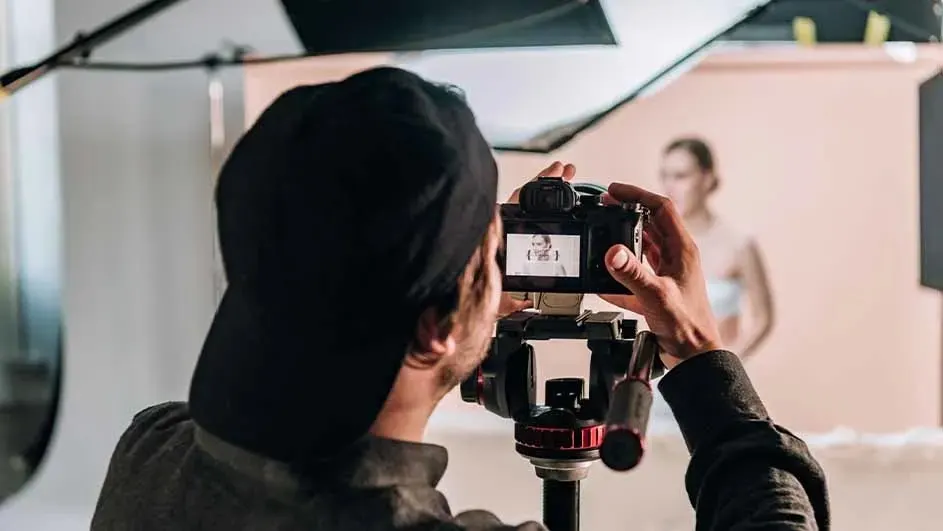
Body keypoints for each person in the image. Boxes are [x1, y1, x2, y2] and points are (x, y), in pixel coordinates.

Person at [91, 68, 829, 531]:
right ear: (435, 325)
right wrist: (702, 357)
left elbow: (340, 405)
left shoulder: (146, 451)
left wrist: (456, 315)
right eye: (490, 248)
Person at [659, 137, 775, 359]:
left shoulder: (738, 244)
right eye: (665, 176)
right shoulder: (659, 244)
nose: (669, 187)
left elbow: (763, 319)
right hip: (662, 381)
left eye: (681, 176)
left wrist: (729, 367)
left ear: (707, 179)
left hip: (718, 380)